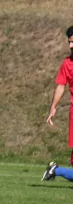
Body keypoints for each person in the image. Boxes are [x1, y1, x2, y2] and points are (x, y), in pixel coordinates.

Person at [46, 26, 73, 166]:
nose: (71, 45)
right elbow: (61, 86)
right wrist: (53, 107)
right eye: (69, 42)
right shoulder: (67, 64)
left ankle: (56, 171)